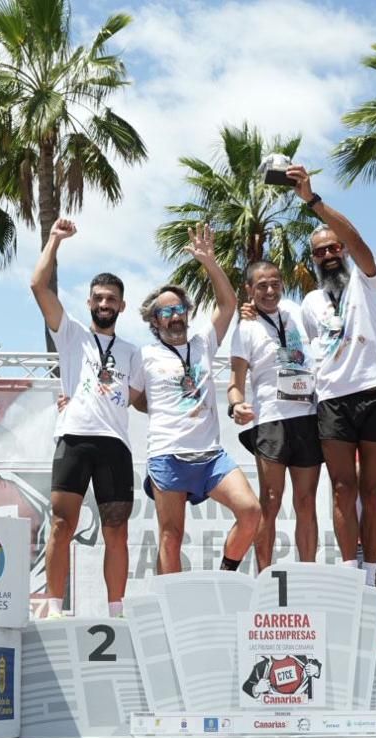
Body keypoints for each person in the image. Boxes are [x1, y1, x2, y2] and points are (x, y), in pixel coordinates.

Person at [291, 164, 376, 583]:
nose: (330, 255)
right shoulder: (310, 302)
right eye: (320, 252)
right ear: (314, 260)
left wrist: (313, 203)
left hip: (375, 390)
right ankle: (351, 574)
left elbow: (358, 241)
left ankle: (372, 576)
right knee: (341, 489)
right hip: (333, 399)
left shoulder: (369, 281)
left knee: (372, 492)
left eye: (334, 248)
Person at [31, 218, 141, 617]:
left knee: (117, 528)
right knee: (62, 523)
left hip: (115, 445)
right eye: (98, 298)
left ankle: (116, 611)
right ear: (89, 302)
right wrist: (55, 240)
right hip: (75, 437)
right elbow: (38, 286)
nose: (104, 304)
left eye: (111, 298)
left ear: (122, 305)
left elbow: (140, 397)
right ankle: (53, 606)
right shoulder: (71, 333)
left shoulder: (132, 352)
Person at [139, 224, 261, 574]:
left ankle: (225, 575)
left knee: (251, 511)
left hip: (210, 456)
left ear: (188, 313)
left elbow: (228, 303)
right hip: (167, 454)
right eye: (165, 312)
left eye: (179, 309)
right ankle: (170, 609)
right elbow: (131, 395)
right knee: (171, 536)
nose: (174, 316)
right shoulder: (144, 355)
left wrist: (209, 261)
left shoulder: (203, 342)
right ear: (154, 320)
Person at [226, 258, 323, 569]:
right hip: (271, 420)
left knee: (306, 503)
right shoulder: (246, 327)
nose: (269, 290)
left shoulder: (295, 311)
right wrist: (236, 405)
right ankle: (265, 577)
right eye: (261, 285)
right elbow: (235, 384)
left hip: (308, 416)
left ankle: (307, 572)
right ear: (249, 289)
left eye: (275, 283)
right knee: (270, 501)